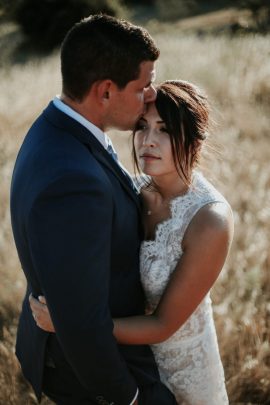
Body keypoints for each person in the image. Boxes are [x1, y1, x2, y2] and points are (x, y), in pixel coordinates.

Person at [31, 80, 234, 404]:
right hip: (131, 363)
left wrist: (73, 324)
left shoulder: (210, 219)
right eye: (142, 126)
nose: (148, 141)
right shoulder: (133, 190)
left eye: (164, 129)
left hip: (185, 372)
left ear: (195, 141)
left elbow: (162, 324)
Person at [10, 14, 178, 405]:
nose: (151, 95)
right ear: (105, 91)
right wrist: (131, 397)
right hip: (90, 377)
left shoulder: (54, 128)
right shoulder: (74, 181)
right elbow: (83, 324)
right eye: (143, 86)